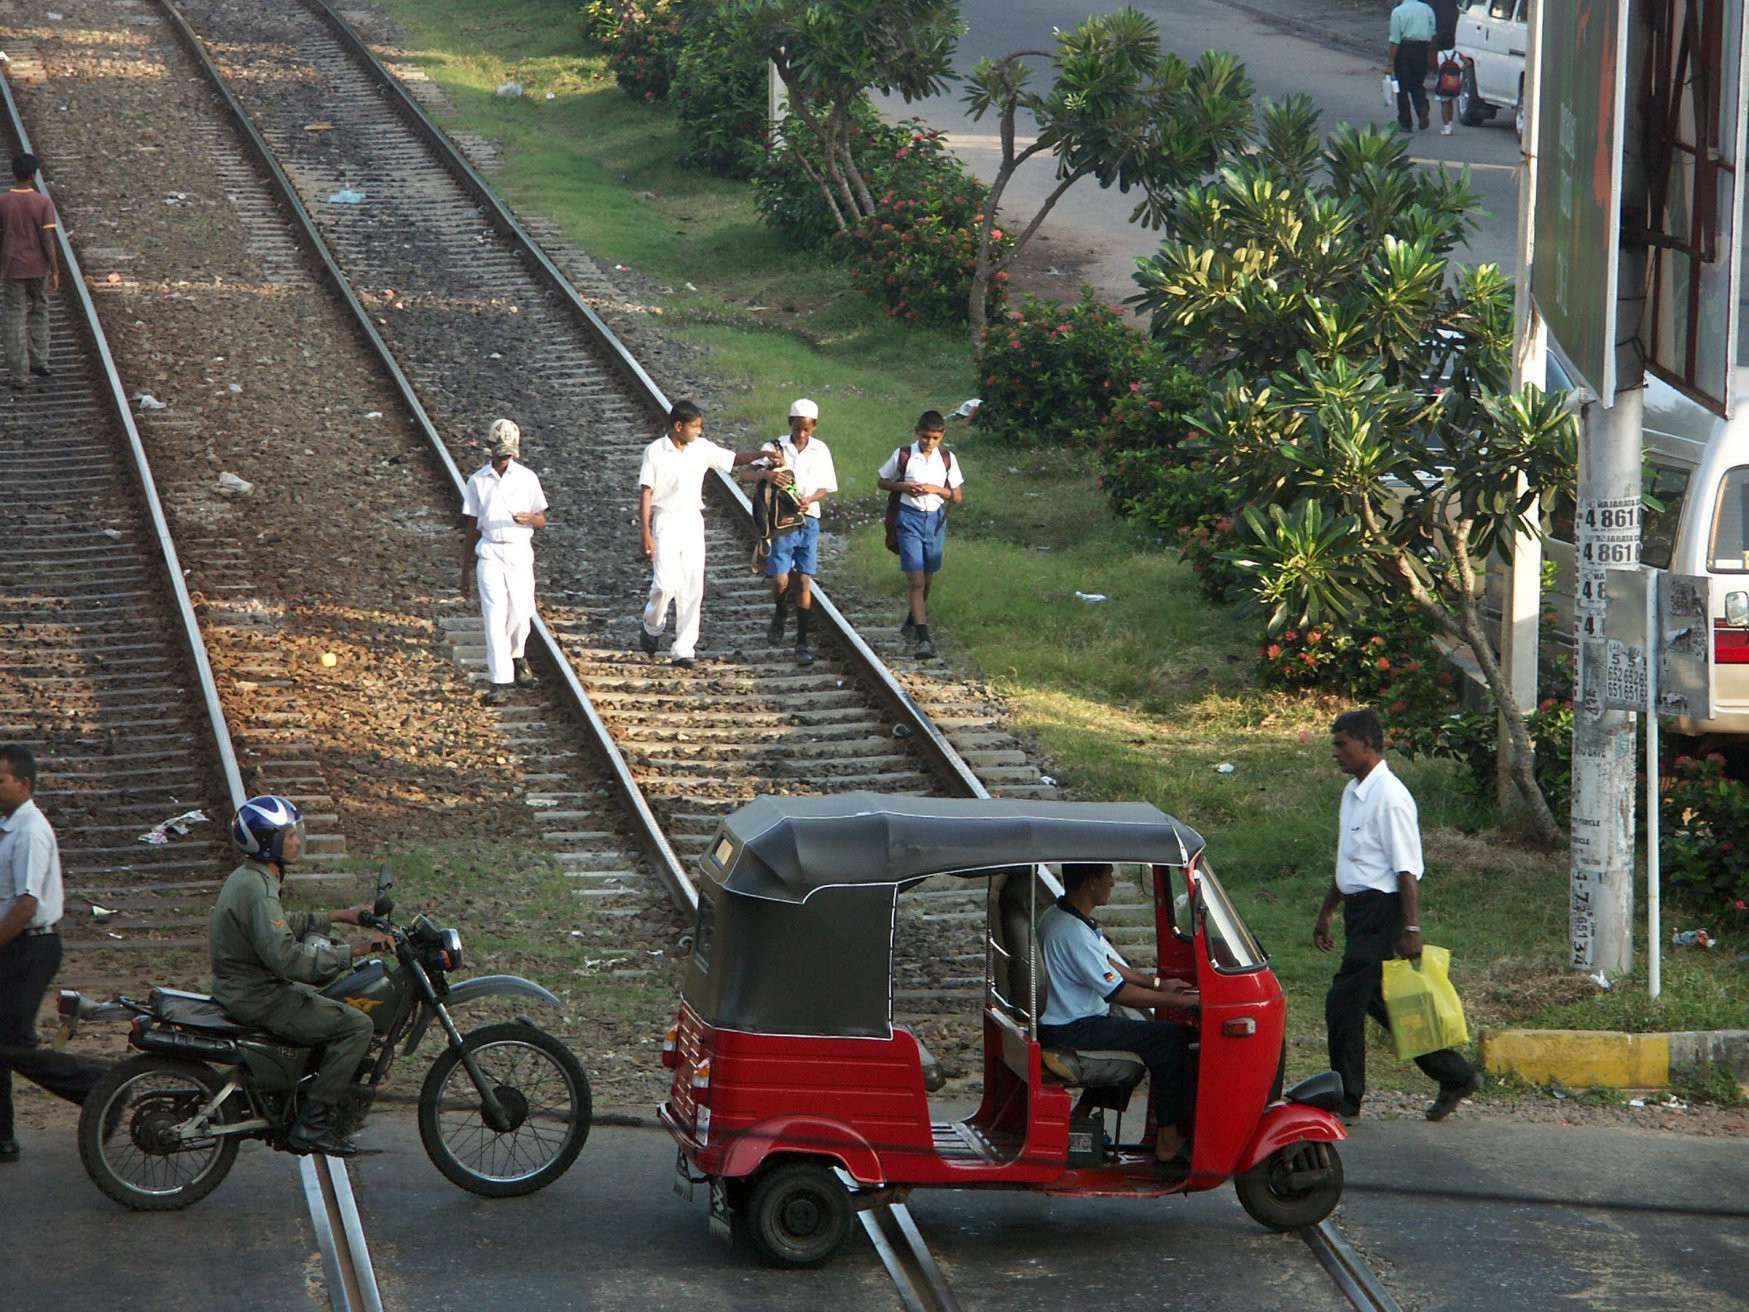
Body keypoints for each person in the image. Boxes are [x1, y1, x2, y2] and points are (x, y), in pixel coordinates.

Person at [1312, 708, 1481, 1123]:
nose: (1336, 753)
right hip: (1359, 910)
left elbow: (1407, 871)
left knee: (1342, 1002)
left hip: (1383, 911)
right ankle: (1455, 1074)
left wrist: (1411, 927)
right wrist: (1328, 910)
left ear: (1368, 744)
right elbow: (1351, 860)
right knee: (1382, 1001)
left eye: (1341, 744)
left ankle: (1346, 1099)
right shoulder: (1353, 793)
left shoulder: (1390, 797)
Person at [209, 796, 391, 1157]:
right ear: (268, 843)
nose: (297, 840)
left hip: (243, 988)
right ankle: (312, 1124)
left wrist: (341, 916)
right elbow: (289, 959)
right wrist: (356, 951)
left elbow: (280, 925)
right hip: (259, 998)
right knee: (357, 1026)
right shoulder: (259, 890)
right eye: (289, 835)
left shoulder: (250, 878)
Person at [1037, 862, 1200, 1165]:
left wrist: (1158, 984)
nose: (1113, 882)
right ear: (1090, 881)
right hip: (1073, 1028)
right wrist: (1176, 1002)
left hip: (1068, 1021)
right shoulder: (1072, 932)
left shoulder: (1065, 917)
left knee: (1137, 1034)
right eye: (1108, 876)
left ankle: (1081, 1117)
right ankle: (1167, 1139)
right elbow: (1117, 992)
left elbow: (1109, 964)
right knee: (1170, 1040)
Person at [0, 745, 102, 1162]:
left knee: (12, 1045)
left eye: (0, 780)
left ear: (23, 784)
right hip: (16, 945)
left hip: (30, 946)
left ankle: (97, 1088)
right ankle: (2, 1138)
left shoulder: (30, 831)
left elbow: (26, 904)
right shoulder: (8, 825)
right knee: (6, 1040)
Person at [637, 400, 768, 668]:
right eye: (694, 426)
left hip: (692, 520)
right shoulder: (655, 452)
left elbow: (732, 459)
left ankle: (684, 649)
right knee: (665, 584)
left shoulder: (702, 448)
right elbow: (646, 492)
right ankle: (652, 624)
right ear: (678, 426)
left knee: (692, 585)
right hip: (665, 520)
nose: (698, 431)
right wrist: (646, 533)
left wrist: (760, 456)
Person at [461, 418, 548, 707]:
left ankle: (516, 654)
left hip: (519, 549)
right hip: (490, 552)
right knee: (494, 615)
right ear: (489, 449)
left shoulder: (527, 478)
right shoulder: (478, 481)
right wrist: (465, 569)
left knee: (522, 611)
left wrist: (529, 519)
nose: (504, 457)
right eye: (500, 451)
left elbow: (542, 519)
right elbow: (472, 525)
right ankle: (499, 679)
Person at [749, 398, 837, 666]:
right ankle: (780, 609)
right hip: (782, 522)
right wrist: (768, 475)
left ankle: (801, 641)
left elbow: (826, 487)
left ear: (814, 427)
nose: (801, 434)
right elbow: (746, 475)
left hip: (808, 519)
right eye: (798, 428)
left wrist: (810, 499)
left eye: (806, 429)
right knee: (780, 579)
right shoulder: (774, 447)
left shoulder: (820, 450)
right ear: (790, 424)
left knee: (803, 580)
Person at [876, 411, 963, 660]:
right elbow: (882, 481)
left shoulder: (946, 459)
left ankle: (912, 622)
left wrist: (936, 489)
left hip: (934, 520)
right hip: (908, 517)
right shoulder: (904, 455)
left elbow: (956, 496)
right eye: (925, 437)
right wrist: (903, 487)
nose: (929, 442)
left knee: (927, 577)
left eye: (935, 438)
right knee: (915, 579)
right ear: (917, 432)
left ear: (942, 436)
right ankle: (924, 639)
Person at [0, 153, 59, 391]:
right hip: (38, 268)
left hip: (13, 268)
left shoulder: (3, 202)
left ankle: (18, 374)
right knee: (40, 310)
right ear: (34, 175)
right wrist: (54, 269)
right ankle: (40, 361)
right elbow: (48, 238)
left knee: (14, 316)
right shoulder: (43, 203)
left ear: (14, 174)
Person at [1387, 0, 1438, 133]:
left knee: (1402, 88)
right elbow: (1432, 34)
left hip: (1404, 49)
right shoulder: (1427, 9)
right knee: (1417, 83)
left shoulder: (1398, 12)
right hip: (1422, 49)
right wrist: (1431, 56)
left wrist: (1390, 63)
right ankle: (1422, 107)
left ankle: (1405, 123)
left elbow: (1394, 40)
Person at [1432, 45, 1463, 135]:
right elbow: (1468, 62)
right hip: (1455, 83)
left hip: (1443, 84)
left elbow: (1435, 65)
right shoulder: (1458, 54)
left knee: (1444, 105)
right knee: (1450, 104)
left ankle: (1446, 128)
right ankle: (1450, 125)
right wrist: (1459, 69)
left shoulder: (1440, 54)